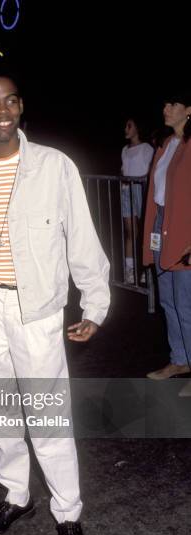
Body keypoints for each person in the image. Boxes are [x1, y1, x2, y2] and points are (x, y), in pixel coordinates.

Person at [0, 74, 110, 535]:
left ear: (20, 106)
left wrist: (94, 306)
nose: (1, 110)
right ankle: (17, 496)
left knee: (47, 414)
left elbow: (81, 238)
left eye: (9, 100)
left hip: (36, 308)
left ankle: (68, 515)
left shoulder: (54, 167)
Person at [143, 92, 191, 380]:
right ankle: (180, 359)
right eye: (164, 104)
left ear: (188, 110)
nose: (165, 108)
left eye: (172, 104)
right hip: (162, 225)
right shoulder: (166, 145)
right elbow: (157, 194)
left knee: (185, 302)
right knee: (168, 301)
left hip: (184, 229)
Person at [121, 117, 153, 284]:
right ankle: (129, 270)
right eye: (126, 126)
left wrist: (137, 180)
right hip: (126, 191)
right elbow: (123, 169)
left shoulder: (146, 148)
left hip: (140, 190)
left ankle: (146, 269)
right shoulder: (124, 150)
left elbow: (149, 171)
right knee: (130, 232)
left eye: (129, 126)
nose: (126, 129)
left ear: (137, 128)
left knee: (145, 231)